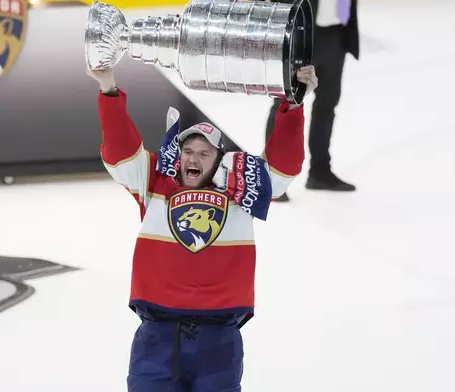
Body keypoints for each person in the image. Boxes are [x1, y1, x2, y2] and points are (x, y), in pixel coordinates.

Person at [87, 64, 317, 392]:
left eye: (204, 153)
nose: (194, 158)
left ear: (218, 158)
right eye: (188, 151)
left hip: (218, 337)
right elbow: (119, 151)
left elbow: (284, 166)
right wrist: (108, 88)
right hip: (157, 334)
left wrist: (293, 105)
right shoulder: (153, 179)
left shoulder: (241, 187)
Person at [266, 0, 360, 200]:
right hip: (302, 34)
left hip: (337, 33)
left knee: (327, 105)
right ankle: (269, 177)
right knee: (284, 104)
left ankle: (320, 172)